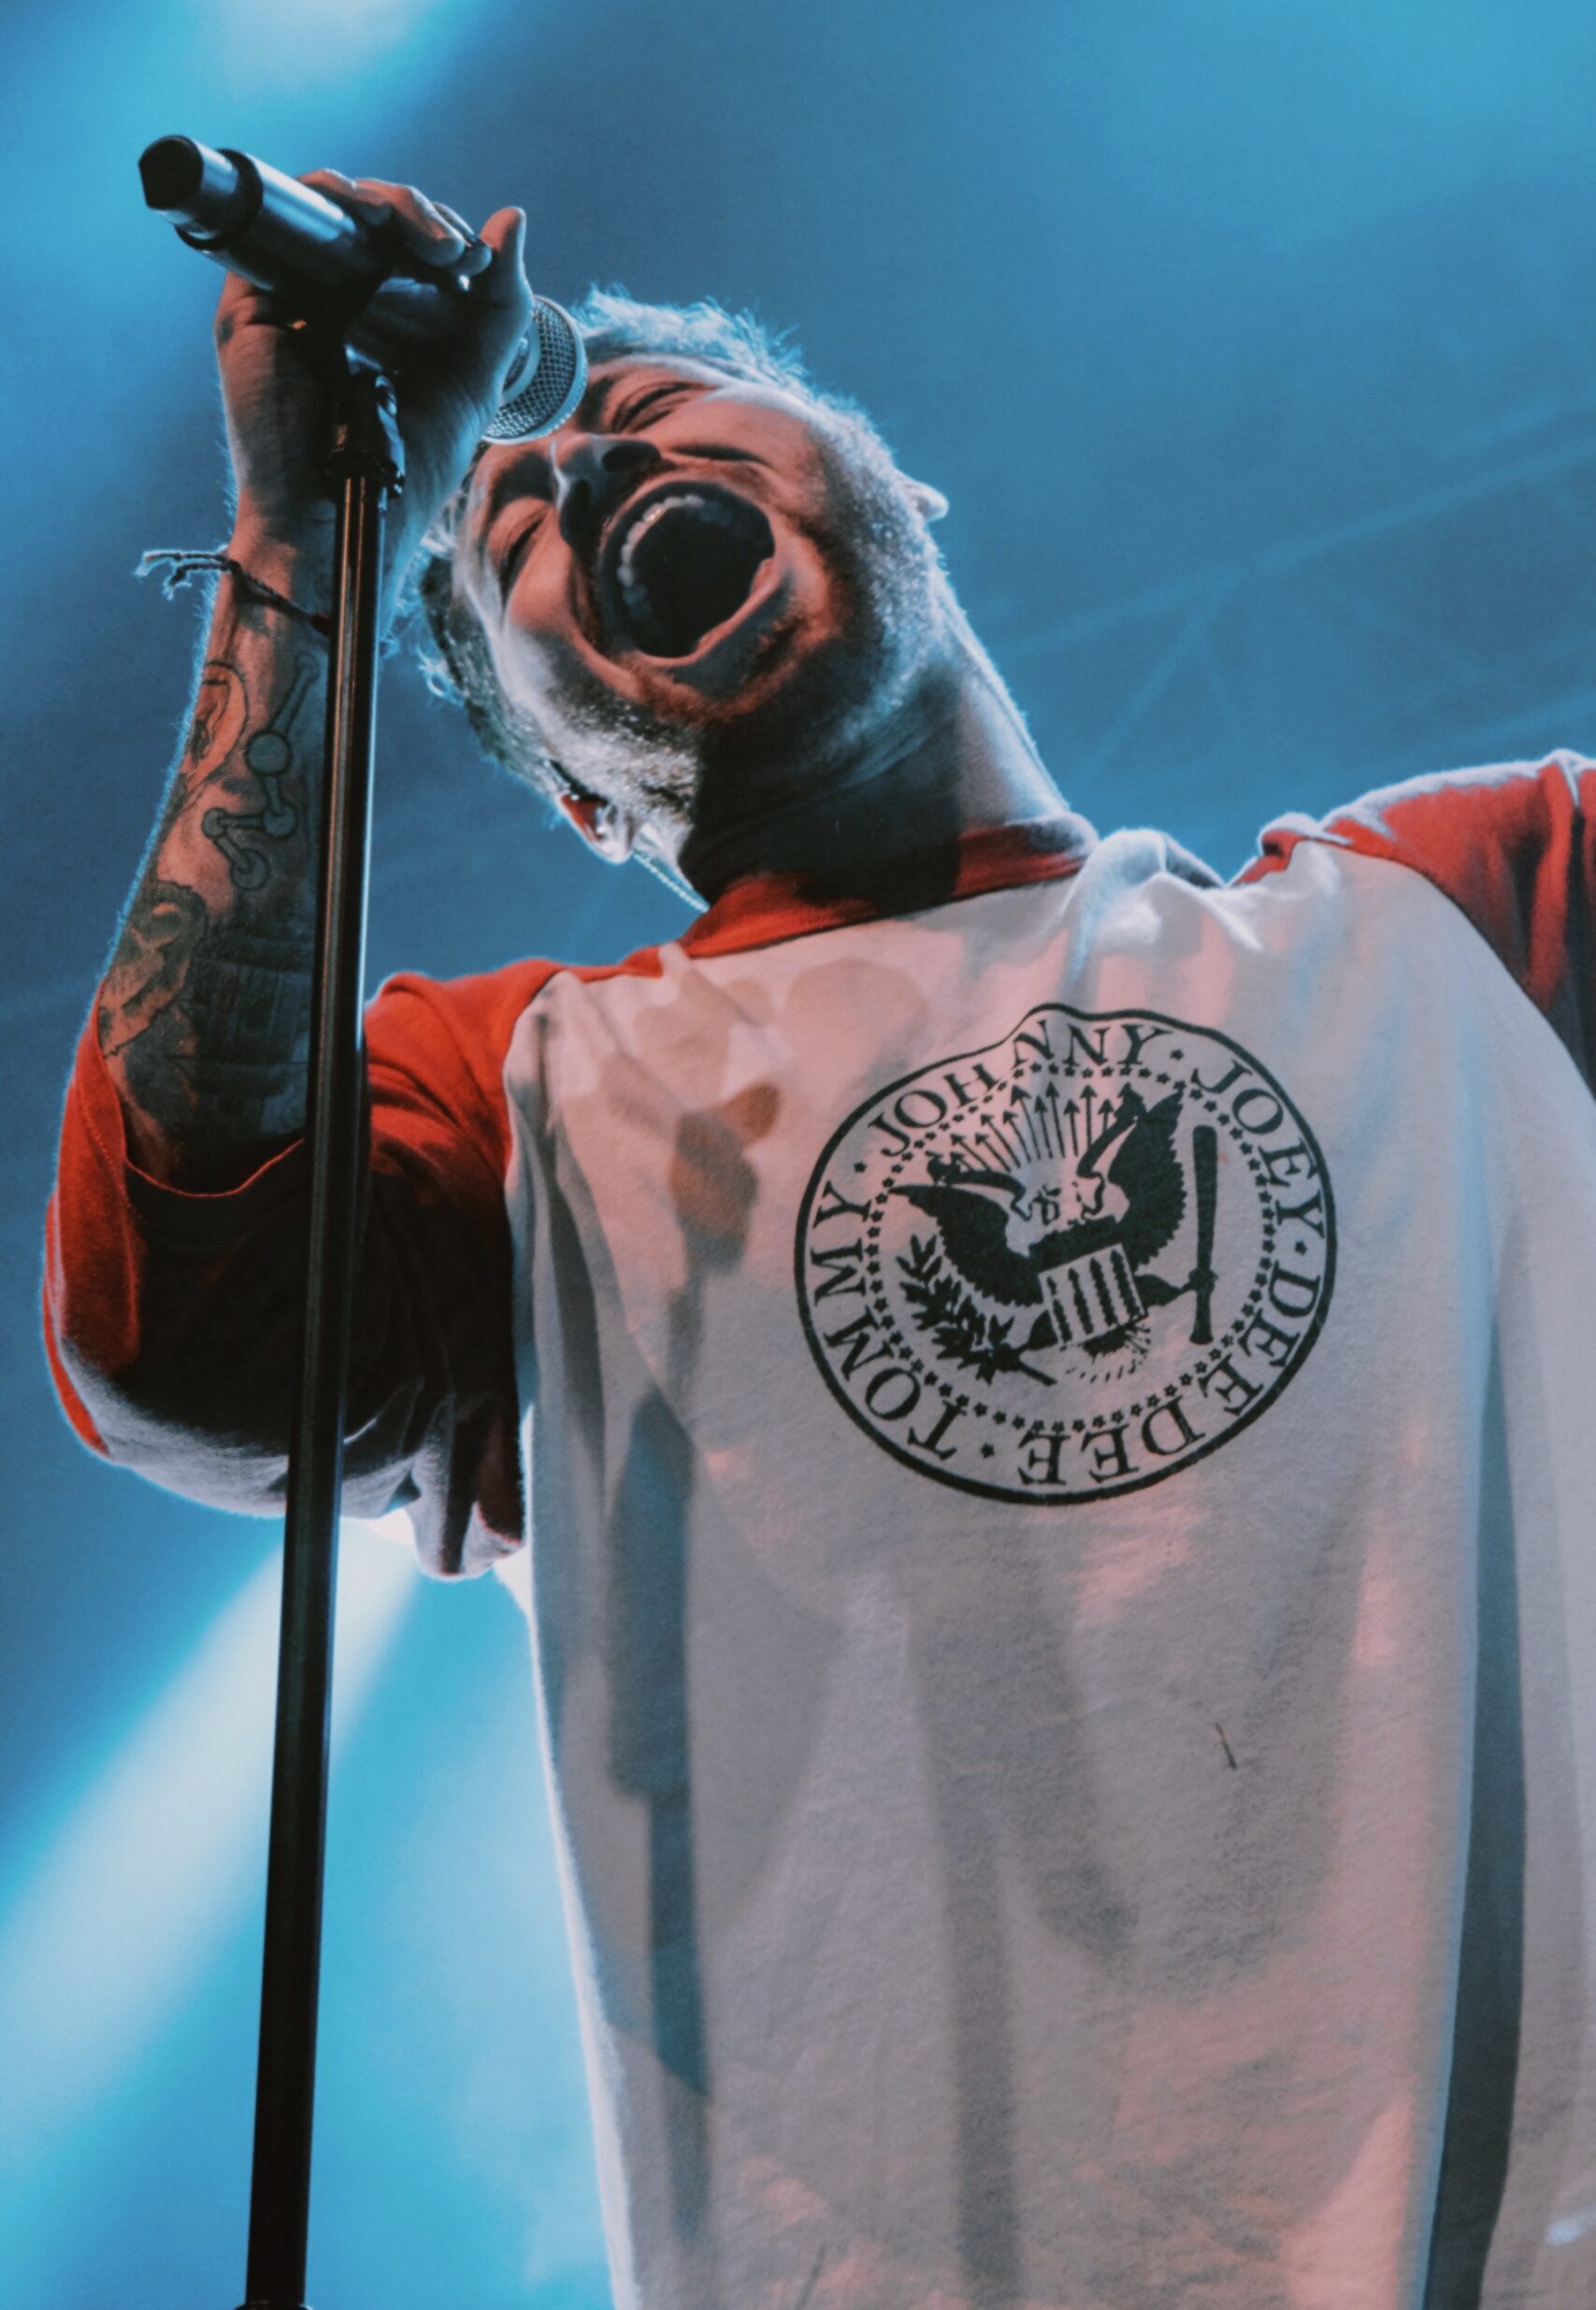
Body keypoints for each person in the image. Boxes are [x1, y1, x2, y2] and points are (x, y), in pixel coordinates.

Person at [44, 174, 1596, 2310]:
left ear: (899, 485)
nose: (585, 460)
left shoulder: (1471, 919)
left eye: (659, 395)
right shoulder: (522, 1108)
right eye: (504, 530)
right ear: (581, 795)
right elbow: (178, 1319)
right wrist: (311, 535)